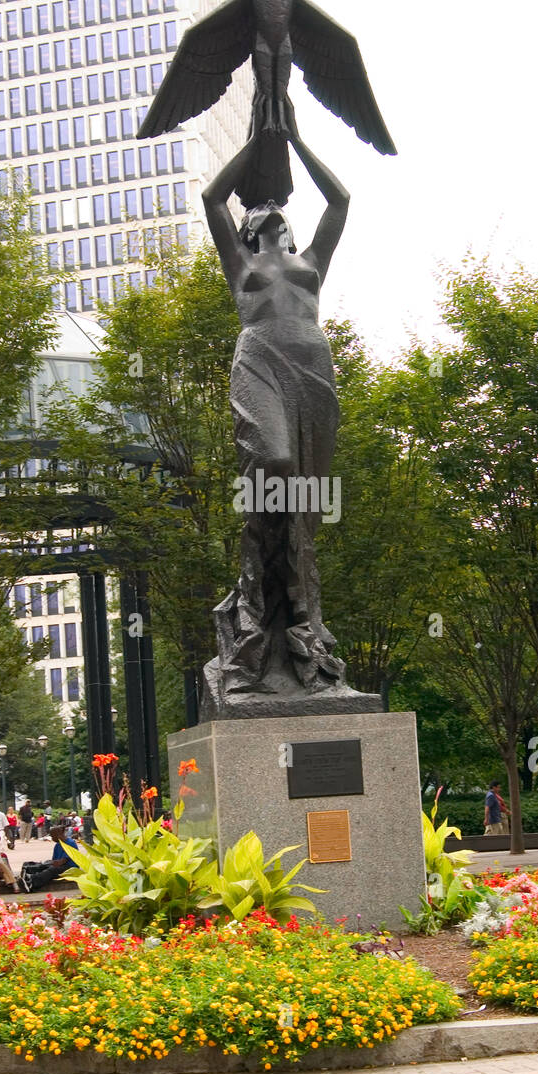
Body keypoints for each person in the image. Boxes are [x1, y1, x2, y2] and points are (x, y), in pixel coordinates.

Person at [200, 122, 353, 701]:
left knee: (305, 504)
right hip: (260, 361)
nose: (271, 210)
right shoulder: (240, 265)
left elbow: (340, 200)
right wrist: (259, 142)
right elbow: (213, 197)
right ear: (247, 228)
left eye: (277, 209)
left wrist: (293, 141)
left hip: (312, 371)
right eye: (259, 209)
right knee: (275, 461)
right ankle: (253, 607)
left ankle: (297, 627)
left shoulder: (312, 259)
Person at [20, 823, 80, 893]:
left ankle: (32, 882)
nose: (52, 839)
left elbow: (63, 861)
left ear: (58, 835)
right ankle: (28, 874)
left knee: (52, 870)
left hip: (70, 867)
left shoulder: (70, 843)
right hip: (61, 865)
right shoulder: (57, 845)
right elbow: (55, 860)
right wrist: (46, 863)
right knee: (42, 866)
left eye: (52, 836)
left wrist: (50, 864)